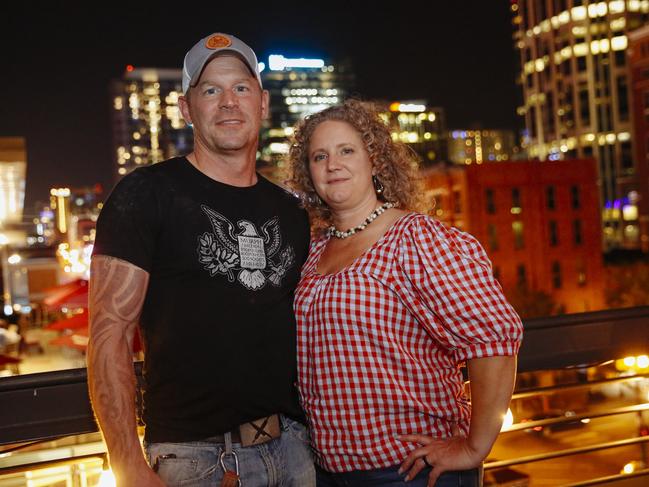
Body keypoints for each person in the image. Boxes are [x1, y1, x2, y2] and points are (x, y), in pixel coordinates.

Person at [88, 32, 315, 487]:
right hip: (198, 463)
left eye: (241, 88)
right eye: (211, 90)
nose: (229, 102)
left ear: (263, 103)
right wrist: (128, 465)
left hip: (295, 450)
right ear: (187, 108)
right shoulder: (146, 193)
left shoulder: (291, 212)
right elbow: (109, 334)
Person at [288, 99, 523, 487]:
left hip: (409, 471)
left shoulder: (415, 239)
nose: (333, 164)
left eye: (347, 150)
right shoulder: (313, 251)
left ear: (375, 160)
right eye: (319, 156)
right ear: (308, 172)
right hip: (328, 472)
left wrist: (474, 445)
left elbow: (494, 338)